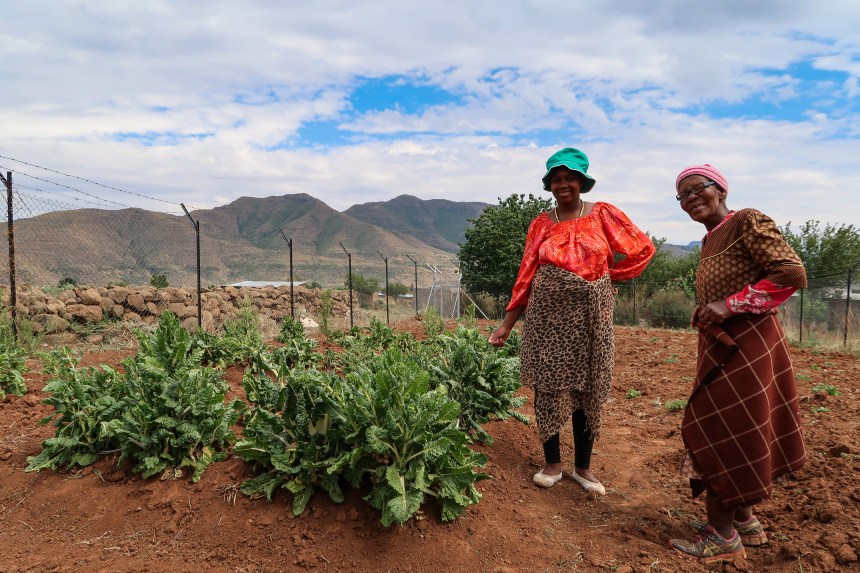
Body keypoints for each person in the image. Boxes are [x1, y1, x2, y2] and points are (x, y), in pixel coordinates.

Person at [488, 147, 655, 495]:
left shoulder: (603, 214)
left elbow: (642, 248)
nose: (563, 185)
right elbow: (526, 274)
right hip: (547, 317)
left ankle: (583, 468)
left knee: (586, 388)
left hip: (591, 317)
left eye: (570, 179)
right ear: (550, 184)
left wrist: (606, 278)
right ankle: (551, 464)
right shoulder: (541, 223)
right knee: (548, 387)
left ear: (581, 182)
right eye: (556, 180)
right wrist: (506, 324)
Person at [669, 164, 808, 564]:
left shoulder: (747, 220)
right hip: (727, 344)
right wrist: (709, 310)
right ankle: (745, 518)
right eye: (682, 196)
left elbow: (791, 273)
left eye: (698, 189)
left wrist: (729, 305)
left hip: (748, 344)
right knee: (741, 425)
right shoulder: (710, 239)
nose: (691, 198)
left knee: (725, 428)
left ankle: (722, 537)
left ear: (720, 189)